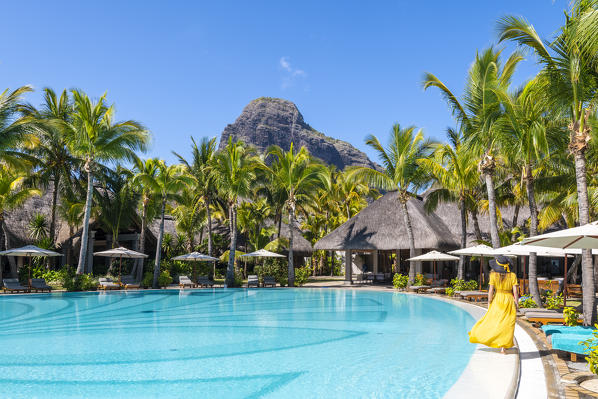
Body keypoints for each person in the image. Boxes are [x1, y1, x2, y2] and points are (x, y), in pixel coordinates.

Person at [468, 255, 519, 353]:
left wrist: (489, 302)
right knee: (507, 323)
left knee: (495, 321)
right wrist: (516, 303)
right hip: (508, 299)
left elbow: (491, 290)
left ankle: (490, 339)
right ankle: (503, 346)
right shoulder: (512, 275)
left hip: (498, 299)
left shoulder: (493, 275)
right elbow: (515, 292)